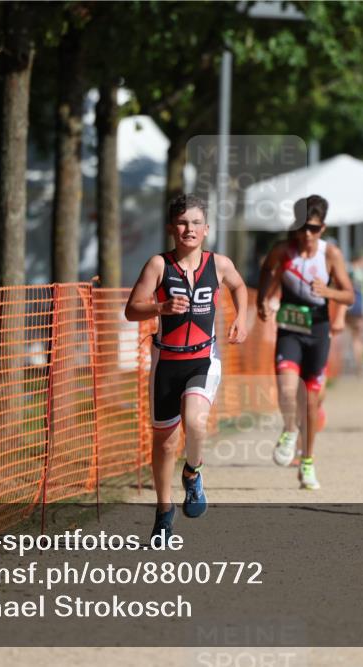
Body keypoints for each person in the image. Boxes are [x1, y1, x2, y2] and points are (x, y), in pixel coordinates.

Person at [124, 194, 248, 545]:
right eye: (181, 223)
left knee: (194, 421)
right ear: (171, 229)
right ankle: (164, 512)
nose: (188, 229)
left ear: (206, 229)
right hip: (166, 362)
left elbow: (239, 286)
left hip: (203, 359)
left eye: (195, 223)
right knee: (164, 444)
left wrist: (243, 316)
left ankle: (192, 474)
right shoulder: (158, 266)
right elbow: (132, 310)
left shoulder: (219, 264)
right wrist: (160, 306)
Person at [257, 195, 354, 490]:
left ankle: (308, 462)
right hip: (289, 327)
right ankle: (289, 430)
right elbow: (266, 271)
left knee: (311, 400)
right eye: (302, 227)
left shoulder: (331, 255)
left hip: (317, 330)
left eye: (313, 228)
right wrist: (263, 298)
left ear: (322, 228)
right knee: (287, 389)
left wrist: (328, 291)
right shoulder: (283, 251)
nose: (306, 234)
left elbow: (349, 295)